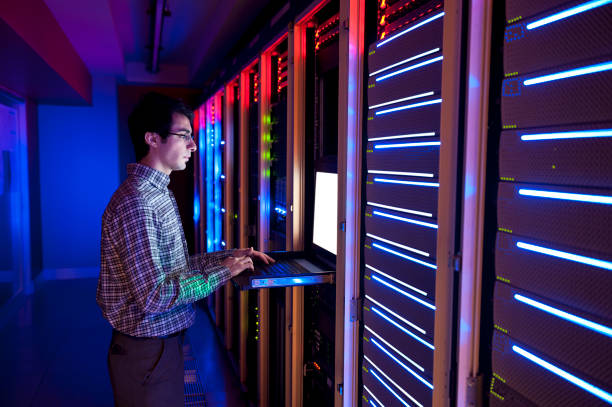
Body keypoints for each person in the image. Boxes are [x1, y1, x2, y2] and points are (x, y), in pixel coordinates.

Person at [96, 92, 273, 406]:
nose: (193, 145)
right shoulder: (140, 203)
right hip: (147, 352)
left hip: (157, 349)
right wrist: (224, 272)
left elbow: (174, 268)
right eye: (184, 136)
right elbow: (155, 296)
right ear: (152, 138)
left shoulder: (156, 192)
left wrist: (232, 256)